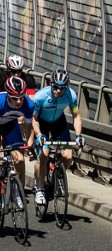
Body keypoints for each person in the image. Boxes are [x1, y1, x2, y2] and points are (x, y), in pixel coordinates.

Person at [0, 76, 34, 219]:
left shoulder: (28, 104)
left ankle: (17, 193)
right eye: (14, 98)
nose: (18, 101)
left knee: (19, 159)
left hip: (10, 124)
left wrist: (30, 145)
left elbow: (29, 127)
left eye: (21, 98)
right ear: (8, 95)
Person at [32, 69, 85, 206]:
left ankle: (57, 176)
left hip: (58, 123)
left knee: (68, 156)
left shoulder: (71, 95)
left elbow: (76, 116)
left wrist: (78, 136)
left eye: (62, 88)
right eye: (55, 87)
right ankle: (40, 189)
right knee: (43, 155)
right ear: (51, 83)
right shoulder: (40, 96)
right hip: (42, 123)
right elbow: (34, 118)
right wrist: (38, 135)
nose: (58, 91)